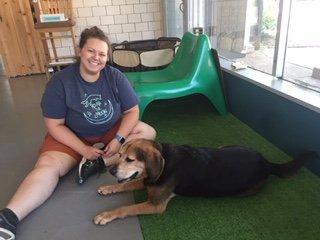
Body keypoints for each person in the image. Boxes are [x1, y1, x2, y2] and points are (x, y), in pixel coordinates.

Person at [0, 26, 156, 240]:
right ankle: (8, 219)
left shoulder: (115, 76)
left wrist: (119, 139)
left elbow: (132, 112)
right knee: (48, 168)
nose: (96, 58)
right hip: (72, 136)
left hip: (109, 131)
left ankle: (98, 163)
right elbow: (54, 125)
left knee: (147, 132)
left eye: (102, 54)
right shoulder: (60, 82)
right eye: (91, 51)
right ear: (80, 50)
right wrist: (82, 148)